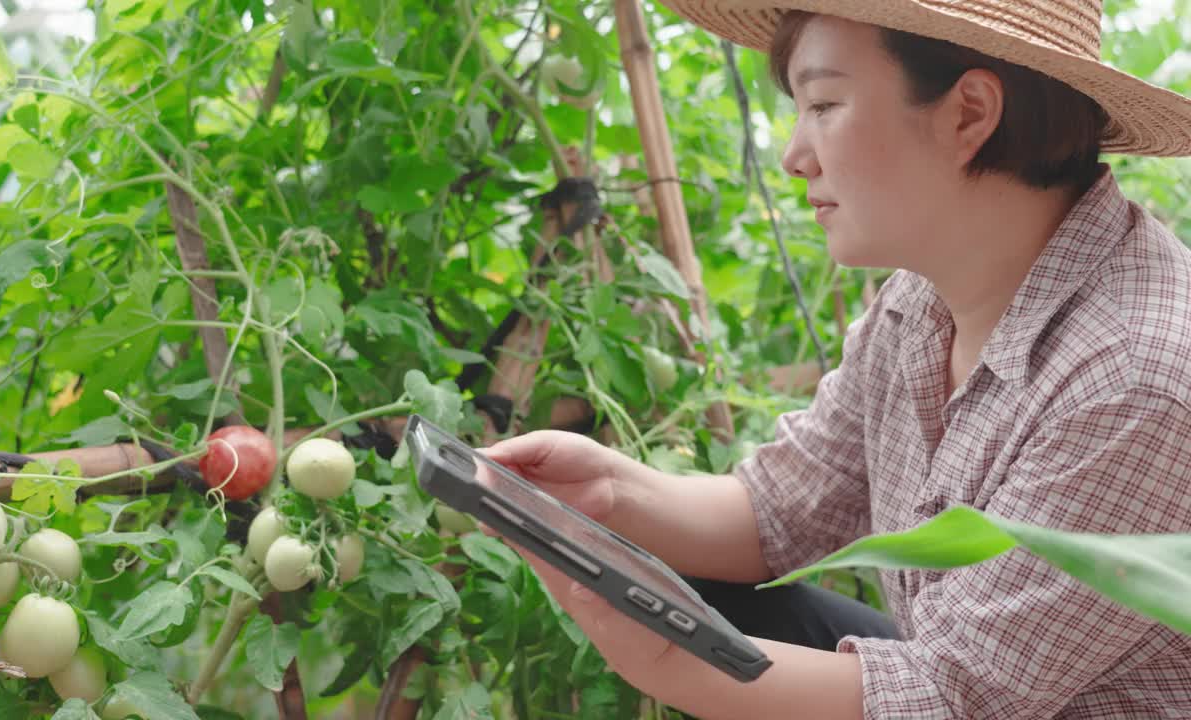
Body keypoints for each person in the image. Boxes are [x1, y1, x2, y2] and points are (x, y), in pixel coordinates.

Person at [481, 1, 1191, 718]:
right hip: (956, 678)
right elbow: (783, 508)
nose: (794, 156)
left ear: (969, 113)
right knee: (711, 606)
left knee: (700, 637)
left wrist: (665, 660)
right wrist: (611, 491)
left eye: (823, 103)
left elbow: (949, 699)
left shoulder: (1133, 377)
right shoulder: (921, 303)